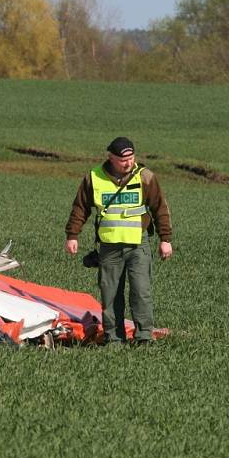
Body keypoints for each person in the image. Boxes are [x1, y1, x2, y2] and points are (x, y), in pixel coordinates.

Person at [65, 137, 173, 344]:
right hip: (109, 248)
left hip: (138, 245)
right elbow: (80, 207)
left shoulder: (145, 177)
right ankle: (114, 339)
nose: (128, 163)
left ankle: (143, 338)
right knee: (110, 295)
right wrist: (72, 235)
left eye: (131, 158)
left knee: (141, 292)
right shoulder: (94, 177)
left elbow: (160, 208)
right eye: (123, 160)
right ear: (111, 158)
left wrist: (165, 239)